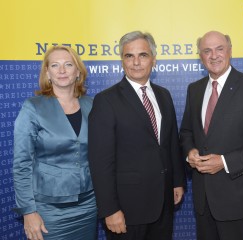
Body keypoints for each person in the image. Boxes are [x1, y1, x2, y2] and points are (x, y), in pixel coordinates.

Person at [179, 30, 243, 240]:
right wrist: (191, 152)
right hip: (203, 199)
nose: (213, 55)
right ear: (200, 56)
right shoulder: (194, 89)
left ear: (230, 51)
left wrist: (224, 161)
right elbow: (187, 131)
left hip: (237, 197)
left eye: (219, 49)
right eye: (207, 51)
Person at [88, 31, 185, 240]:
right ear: (122, 61)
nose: (136, 62)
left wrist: (177, 181)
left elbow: (170, 144)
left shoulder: (164, 95)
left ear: (154, 59)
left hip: (163, 204)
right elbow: (100, 162)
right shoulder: (106, 101)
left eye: (143, 55)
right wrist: (109, 209)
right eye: (129, 56)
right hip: (126, 209)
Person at [13, 45, 97, 240]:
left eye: (68, 64)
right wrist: (28, 211)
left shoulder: (92, 105)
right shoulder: (32, 108)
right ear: (47, 73)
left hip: (89, 204)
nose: (61, 70)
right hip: (48, 209)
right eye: (55, 65)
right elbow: (22, 164)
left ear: (78, 72)